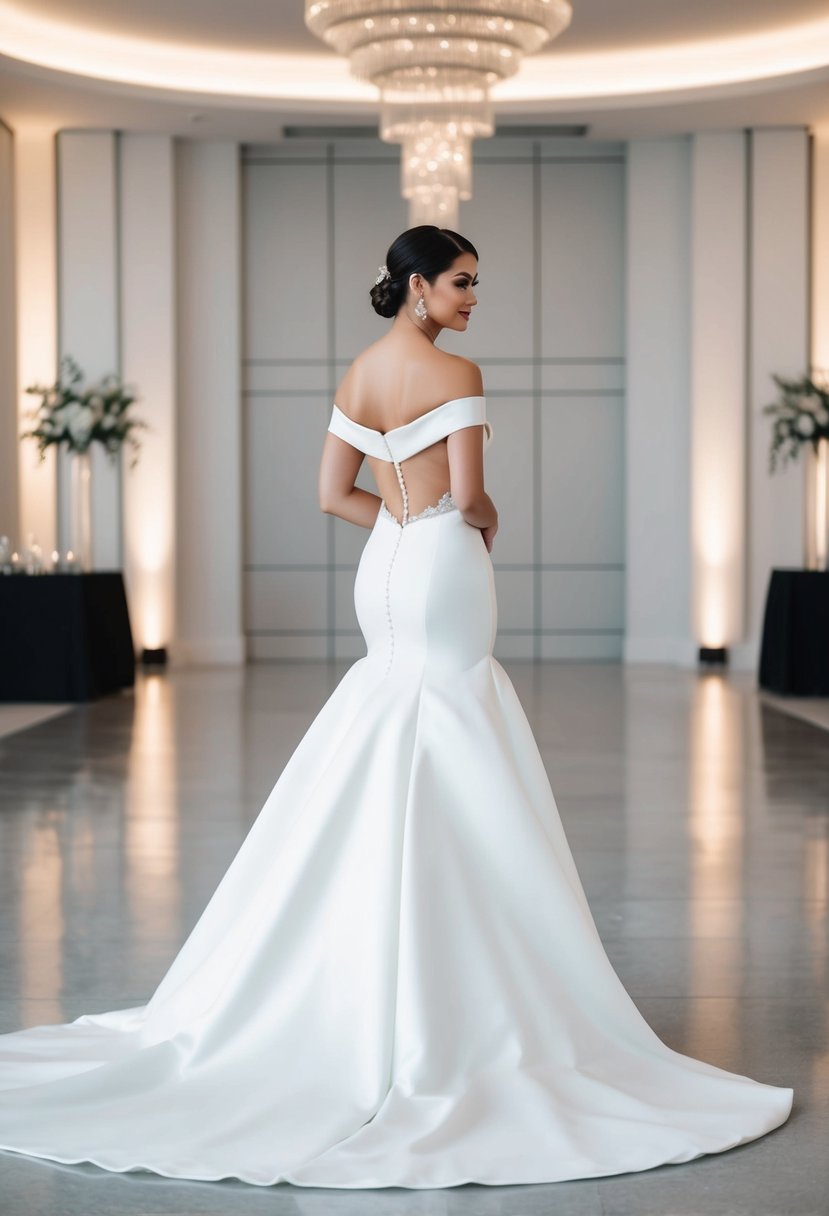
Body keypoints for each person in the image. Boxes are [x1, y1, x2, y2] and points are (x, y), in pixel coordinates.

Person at [0, 225, 792, 1190]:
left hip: (385, 566)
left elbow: (331, 493)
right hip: (446, 567)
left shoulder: (360, 371)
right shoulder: (457, 378)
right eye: (461, 283)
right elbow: (471, 496)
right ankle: (460, 983)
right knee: (454, 723)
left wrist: (403, 532)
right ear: (417, 286)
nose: (471, 298)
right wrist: (471, 525)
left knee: (390, 721)